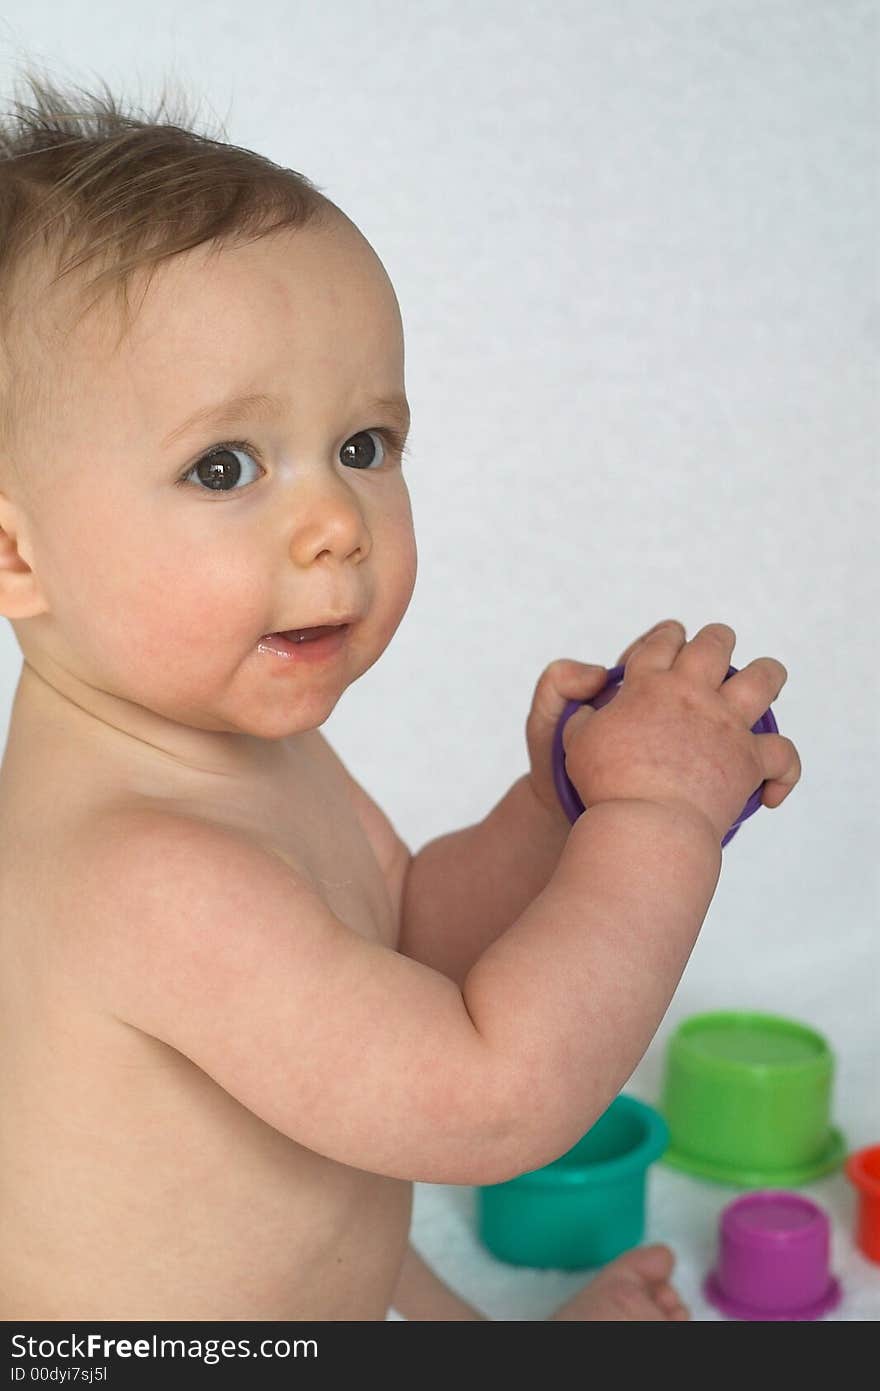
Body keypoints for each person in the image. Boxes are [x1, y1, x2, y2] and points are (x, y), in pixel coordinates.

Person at [0, 69, 801, 1321]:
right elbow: (486, 1102)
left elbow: (407, 937)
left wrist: (559, 809)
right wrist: (657, 827)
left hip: (303, 1294)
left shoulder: (230, 754)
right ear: (15, 555)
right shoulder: (140, 869)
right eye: (225, 465)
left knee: (335, 1235)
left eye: (364, 446)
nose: (335, 522)